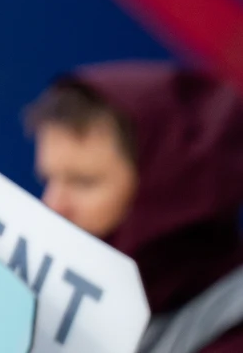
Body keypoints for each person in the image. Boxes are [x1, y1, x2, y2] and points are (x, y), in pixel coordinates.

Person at [25, 61, 243, 353]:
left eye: (84, 182)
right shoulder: (40, 295)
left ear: (165, 189)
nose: (54, 205)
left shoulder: (230, 334)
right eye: (49, 179)